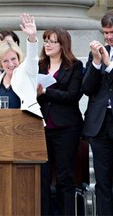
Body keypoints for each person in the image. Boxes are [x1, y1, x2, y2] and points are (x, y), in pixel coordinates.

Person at [37, 28, 84, 215]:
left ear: (62, 45)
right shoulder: (39, 65)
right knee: (42, 178)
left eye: (52, 41)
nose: (47, 44)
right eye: (46, 40)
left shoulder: (74, 66)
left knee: (65, 177)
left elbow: (73, 96)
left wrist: (46, 92)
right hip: (42, 128)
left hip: (66, 128)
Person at [82, 10, 113, 216]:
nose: (108, 37)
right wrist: (95, 62)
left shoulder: (108, 58)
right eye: (105, 33)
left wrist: (109, 65)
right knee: (102, 182)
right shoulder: (99, 55)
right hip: (100, 125)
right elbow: (86, 88)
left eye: (112, 32)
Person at [0, 14, 42, 117]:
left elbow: (32, 58)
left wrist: (32, 37)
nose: (11, 64)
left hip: (26, 127)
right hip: (1, 128)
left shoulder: (27, 73)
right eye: (6, 61)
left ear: (19, 57)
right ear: (0, 62)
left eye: (13, 59)